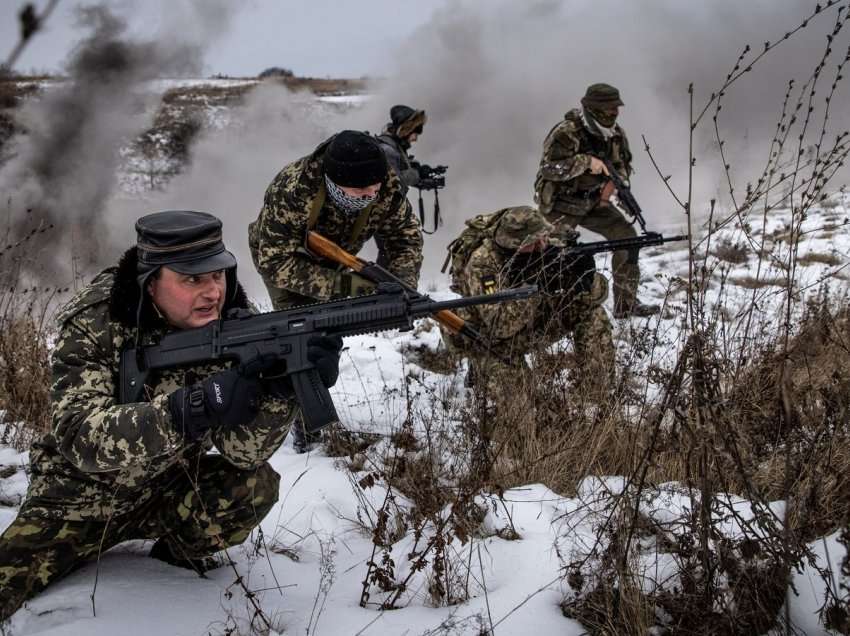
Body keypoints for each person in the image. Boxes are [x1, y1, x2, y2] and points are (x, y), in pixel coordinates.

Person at [0, 210, 342, 622]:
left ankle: (169, 562)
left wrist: (278, 389)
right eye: (192, 279)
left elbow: (243, 454)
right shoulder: (97, 321)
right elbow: (79, 438)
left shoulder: (236, 320)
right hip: (76, 502)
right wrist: (191, 408)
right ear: (151, 280)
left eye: (218, 275)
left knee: (253, 485)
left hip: (165, 489)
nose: (213, 291)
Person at [444, 205, 614, 395]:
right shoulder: (483, 263)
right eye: (534, 241)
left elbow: (599, 296)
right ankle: (480, 367)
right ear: (514, 244)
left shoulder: (546, 245)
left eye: (542, 237)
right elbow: (499, 327)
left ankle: (600, 392)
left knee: (592, 313)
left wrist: (586, 278)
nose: (542, 244)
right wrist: (533, 286)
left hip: (533, 322)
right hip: (490, 338)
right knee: (522, 404)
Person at [249, 129, 423, 310]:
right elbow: (275, 263)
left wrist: (402, 288)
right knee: (304, 329)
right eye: (361, 191)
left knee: (336, 325)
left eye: (376, 188)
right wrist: (350, 286)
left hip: (337, 259)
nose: (371, 195)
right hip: (285, 261)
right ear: (334, 184)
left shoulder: (388, 186)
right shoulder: (293, 190)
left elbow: (405, 239)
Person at [534, 83, 659, 318]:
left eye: (616, 109)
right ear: (592, 109)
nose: (614, 114)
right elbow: (549, 169)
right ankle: (545, 309)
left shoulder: (615, 135)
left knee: (628, 240)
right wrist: (586, 163)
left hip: (594, 204)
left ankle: (626, 304)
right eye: (609, 109)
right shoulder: (566, 132)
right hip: (560, 205)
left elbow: (623, 167)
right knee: (548, 254)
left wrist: (614, 186)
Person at [375, 104, 428, 197]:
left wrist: (412, 166)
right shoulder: (388, 150)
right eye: (415, 134)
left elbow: (396, 166)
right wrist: (417, 173)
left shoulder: (393, 144)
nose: (415, 139)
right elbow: (396, 181)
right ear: (406, 131)